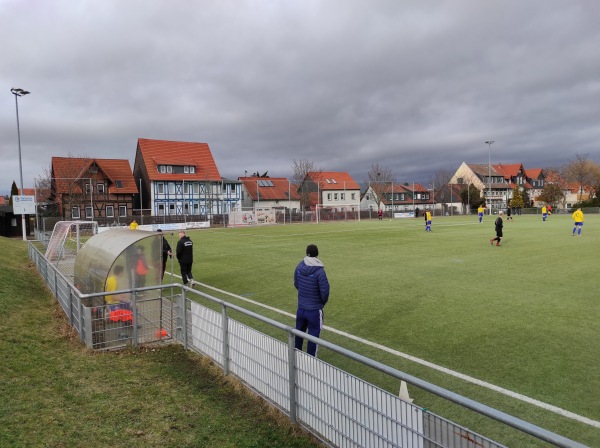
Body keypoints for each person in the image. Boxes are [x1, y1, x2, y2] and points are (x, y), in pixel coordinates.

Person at [294, 244, 330, 357]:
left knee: (298, 333)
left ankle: (296, 357)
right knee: (313, 336)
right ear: (317, 254)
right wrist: (320, 303)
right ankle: (310, 361)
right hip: (314, 310)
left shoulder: (299, 266)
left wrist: (304, 295)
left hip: (301, 308)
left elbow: (296, 284)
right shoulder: (319, 271)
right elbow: (325, 291)